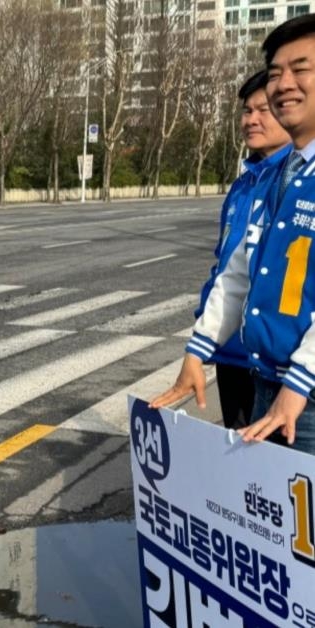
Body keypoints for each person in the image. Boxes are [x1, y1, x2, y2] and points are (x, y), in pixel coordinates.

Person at [151, 13, 315, 454]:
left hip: (307, 396)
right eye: (276, 72)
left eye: (300, 69)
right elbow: (240, 270)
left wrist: (300, 382)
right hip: (270, 384)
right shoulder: (272, 174)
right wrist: (197, 351)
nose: (283, 84)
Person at [193, 69, 291, 430]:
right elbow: (226, 266)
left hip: (273, 360)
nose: (251, 120)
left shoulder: (295, 183)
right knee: (240, 458)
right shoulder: (243, 185)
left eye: (263, 110)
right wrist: (204, 331)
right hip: (230, 351)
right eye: (246, 111)